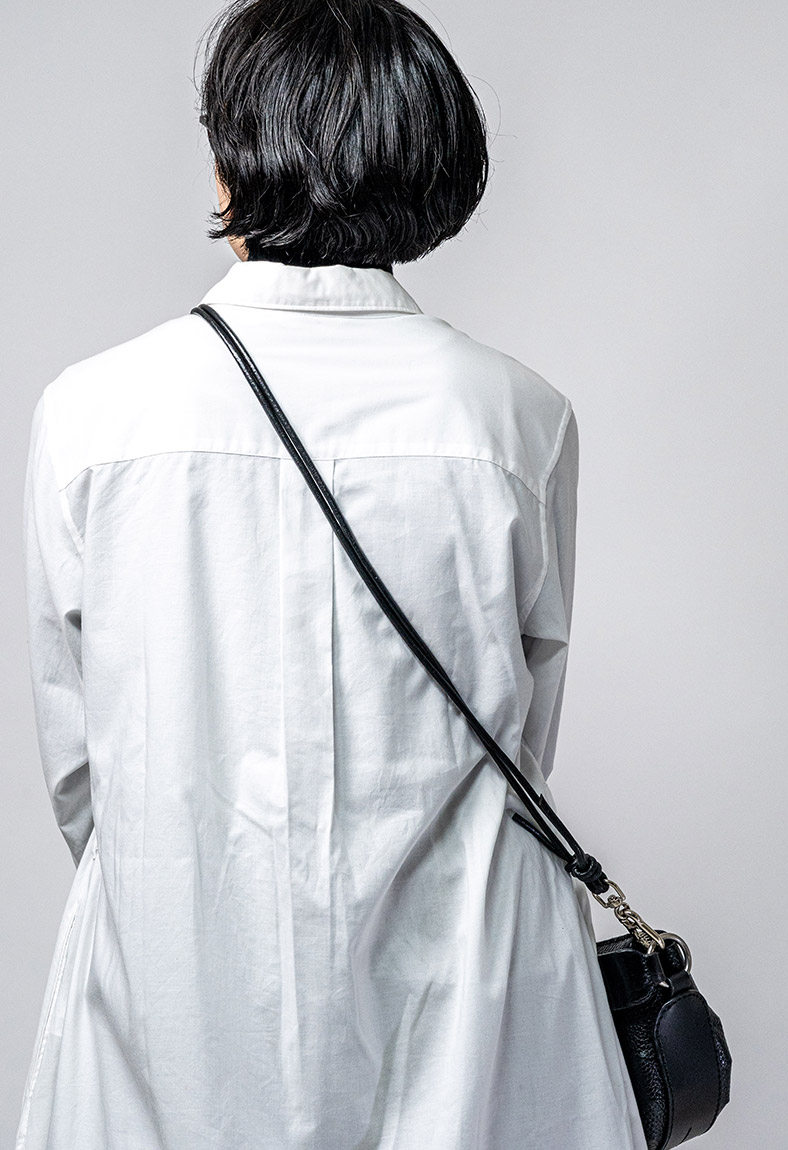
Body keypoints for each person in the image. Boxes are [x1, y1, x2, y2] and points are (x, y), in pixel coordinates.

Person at [16, 1, 649, 1147]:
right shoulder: (515, 417)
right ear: (428, 157)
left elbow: (83, 768)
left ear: (233, 152)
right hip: (474, 995)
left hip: (171, 1005)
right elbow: (522, 737)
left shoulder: (95, 412)